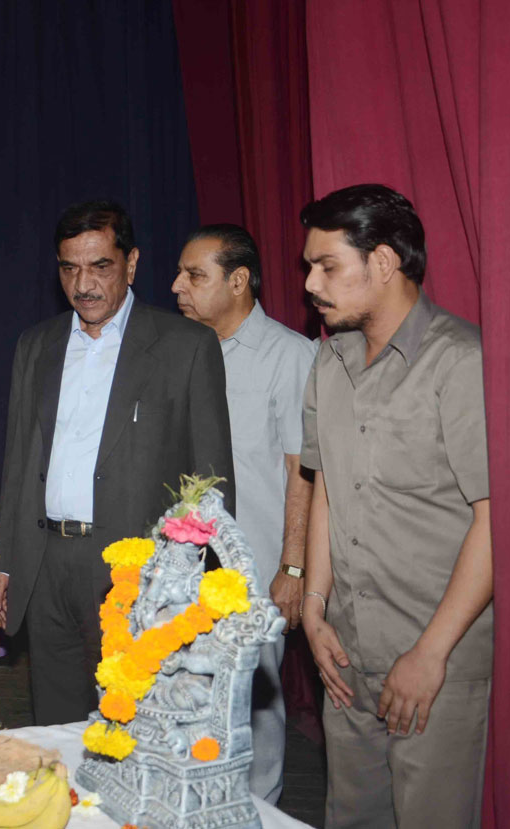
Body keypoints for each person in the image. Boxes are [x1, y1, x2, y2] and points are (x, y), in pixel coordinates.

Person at [0, 200, 235, 726]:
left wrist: (185, 584)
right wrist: (4, 559)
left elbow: (210, 483)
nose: (84, 284)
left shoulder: (184, 346)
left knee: (135, 728)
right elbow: (20, 460)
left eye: (100, 266)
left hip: (137, 572)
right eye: (69, 268)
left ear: (132, 264)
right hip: (46, 563)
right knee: (57, 726)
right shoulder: (38, 344)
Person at [298, 184, 491, 828]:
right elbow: (326, 483)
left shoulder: (460, 361)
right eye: (308, 266)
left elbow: (496, 521)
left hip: (435, 662)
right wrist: (314, 607)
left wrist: (430, 654)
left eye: (327, 266)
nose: (309, 284)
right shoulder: (329, 361)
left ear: (382, 263)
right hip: (347, 656)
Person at [173, 224, 316, 804]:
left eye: (194, 275)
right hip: (182, 568)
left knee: (254, 712)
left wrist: (294, 568)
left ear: (238, 281)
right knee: (185, 706)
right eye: (181, 273)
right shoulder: (178, 352)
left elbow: (302, 472)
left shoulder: (289, 355)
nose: (177, 285)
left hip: (254, 569)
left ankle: (260, 815)